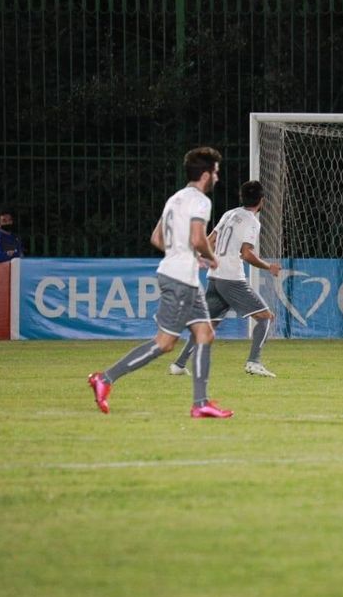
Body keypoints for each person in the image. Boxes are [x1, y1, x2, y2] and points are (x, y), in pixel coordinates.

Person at [87, 147, 232, 418]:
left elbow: (156, 238)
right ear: (205, 175)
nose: (217, 177)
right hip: (179, 279)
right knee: (165, 343)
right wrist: (210, 258)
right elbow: (200, 238)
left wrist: (184, 254)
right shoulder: (200, 201)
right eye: (215, 172)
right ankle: (104, 379)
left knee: (205, 333)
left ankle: (201, 404)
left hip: (181, 275)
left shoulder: (175, 198)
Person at [168, 180, 283, 378]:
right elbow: (246, 254)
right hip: (231, 279)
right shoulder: (252, 222)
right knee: (265, 317)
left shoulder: (229, 214)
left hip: (215, 276)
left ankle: (179, 365)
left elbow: (210, 240)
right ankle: (254, 362)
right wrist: (268, 266)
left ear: (242, 197)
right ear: (262, 201)